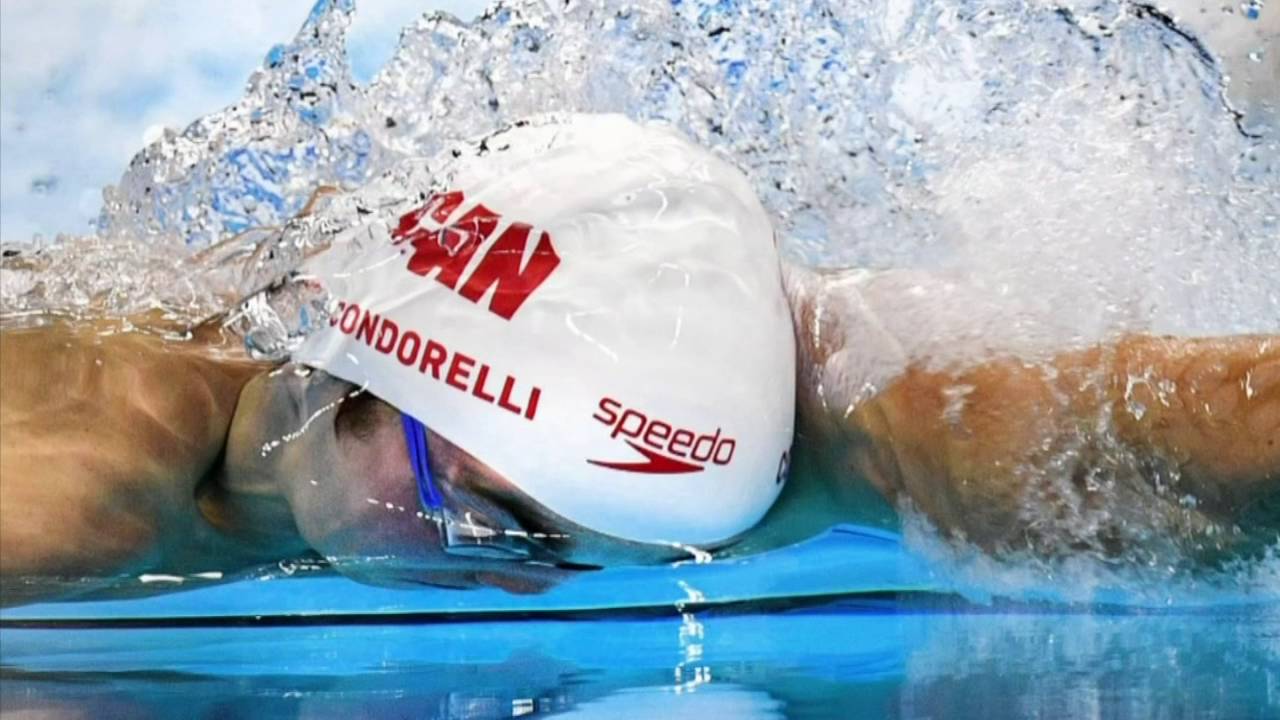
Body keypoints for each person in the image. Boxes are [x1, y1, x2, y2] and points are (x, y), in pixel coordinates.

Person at [1, 114, 1275, 607]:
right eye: (485, 518)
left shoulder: (774, 427)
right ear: (354, 375)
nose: (518, 583)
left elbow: (1117, 434)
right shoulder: (66, 504)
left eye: (585, 549)